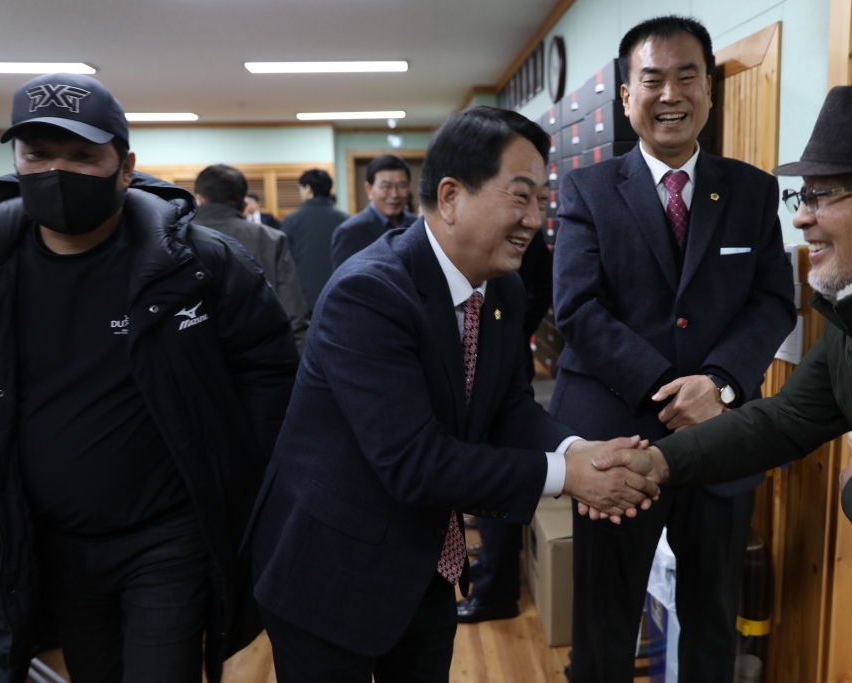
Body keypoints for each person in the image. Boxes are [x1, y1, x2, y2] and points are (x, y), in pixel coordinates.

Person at [595, 84, 852, 683]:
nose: (801, 216)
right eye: (801, 194)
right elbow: (785, 420)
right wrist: (658, 464)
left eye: (823, 194)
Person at [247, 106, 660, 682]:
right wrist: (569, 477)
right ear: (449, 196)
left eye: (543, 200)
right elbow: (414, 463)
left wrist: (576, 450)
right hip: (330, 570)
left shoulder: (502, 291)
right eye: (521, 197)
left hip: (426, 567)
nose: (536, 220)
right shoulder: (368, 294)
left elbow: (509, 406)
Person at [0, 73, 298, 682]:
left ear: (124, 165)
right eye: (38, 155)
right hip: (52, 541)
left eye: (82, 157)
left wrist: (239, 478)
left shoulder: (197, 263)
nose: (57, 172)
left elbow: (270, 371)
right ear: (17, 160)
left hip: (167, 537)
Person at [550, 16, 796, 682]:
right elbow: (577, 307)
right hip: (615, 439)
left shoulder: (751, 189)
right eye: (651, 79)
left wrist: (716, 384)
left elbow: (773, 300)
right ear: (626, 97)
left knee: (713, 618)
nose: (670, 94)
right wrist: (669, 386)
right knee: (604, 626)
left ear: (709, 92)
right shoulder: (586, 190)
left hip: (719, 432)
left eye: (687, 76)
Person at [457, 228, 554, 623]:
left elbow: (542, 288)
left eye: (540, 199)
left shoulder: (510, 282)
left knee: (496, 476)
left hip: (502, 365)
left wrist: (511, 330)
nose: (531, 213)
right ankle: (489, 575)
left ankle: (496, 591)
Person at [193, 164, 310, 355]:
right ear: (245, 204)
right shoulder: (272, 239)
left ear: (199, 198)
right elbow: (294, 313)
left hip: (194, 361)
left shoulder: (175, 238)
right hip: (264, 358)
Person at [330, 154, 419, 273]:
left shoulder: (418, 225)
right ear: (369, 189)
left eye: (401, 186)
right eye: (386, 187)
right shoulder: (349, 233)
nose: (394, 194)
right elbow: (343, 284)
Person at [280, 168, 349, 312]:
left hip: (303, 300)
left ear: (308, 189)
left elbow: (285, 265)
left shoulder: (292, 220)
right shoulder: (346, 220)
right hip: (341, 296)